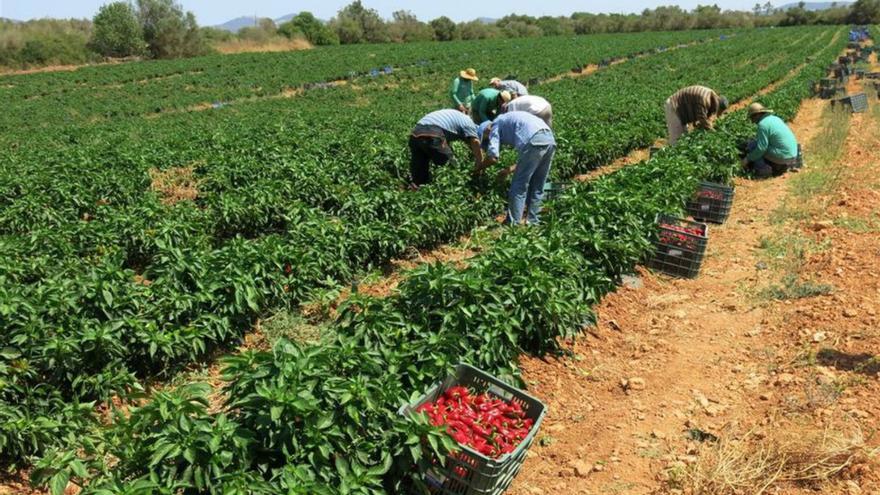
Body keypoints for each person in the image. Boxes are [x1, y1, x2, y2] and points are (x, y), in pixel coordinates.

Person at [476, 111, 556, 225]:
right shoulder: (508, 120)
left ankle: (513, 223)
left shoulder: (495, 125)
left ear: (486, 130)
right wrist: (508, 170)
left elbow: (493, 157)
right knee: (538, 184)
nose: (488, 141)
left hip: (534, 140)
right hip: (549, 139)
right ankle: (533, 222)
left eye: (486, 138)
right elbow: (528, 159)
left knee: (519, 185)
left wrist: (478, 168)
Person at [408, 109, 484, 188]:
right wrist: (480, 164)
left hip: (415, 133)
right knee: (451, 167)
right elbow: (475, 142)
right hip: (432, 132)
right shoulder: (469, 123)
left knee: (419, 172)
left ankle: (415, 188)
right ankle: (456, 190)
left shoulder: (456, 120)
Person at [741, 103, 799, 178]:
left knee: (753, 145)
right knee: (756, 143)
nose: (752, 121)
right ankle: (781, 167)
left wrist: (747, 159)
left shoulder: (762, 125)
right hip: (793, 156)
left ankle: (763, 170)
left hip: (783, 157)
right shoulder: (775, 118)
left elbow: (761, 149)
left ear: (757, 115)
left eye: (752, 118)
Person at [664, 85, 729, 145]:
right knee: (676, 139)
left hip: (682, 109)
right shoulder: (705, 100)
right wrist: (712, 131)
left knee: (684, 137)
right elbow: (702, 119)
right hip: (673, 106)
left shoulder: (710, 96)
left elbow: (704, 116)